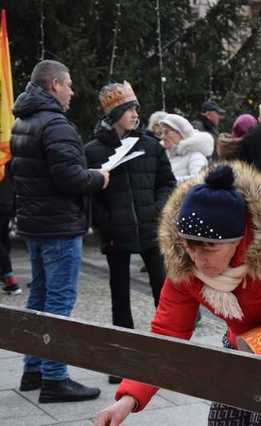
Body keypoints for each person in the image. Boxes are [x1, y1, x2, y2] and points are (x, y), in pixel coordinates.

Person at [95, 163, 261, 426]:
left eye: (210, 248)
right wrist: (128, 398)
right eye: (190, 246)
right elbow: (167, 334)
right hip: (245, 342)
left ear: (239, 239)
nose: (198, 259)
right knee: (224, 420)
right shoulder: (184, 265)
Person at [10, 60, 109, 403]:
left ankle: (33, 369)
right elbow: (70, 180)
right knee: (58, 301)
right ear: (53, 85)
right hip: (58, 226)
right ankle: (55, 379)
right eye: (68, 85)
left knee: (39, 297)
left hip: (35, 225)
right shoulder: (56, 125)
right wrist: (99, 177)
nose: (72, 91)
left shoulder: (22, 120)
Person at [84, 81, 177, 383]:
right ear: (115, 114)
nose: (136, 113)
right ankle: (122, 361)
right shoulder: (94, 150)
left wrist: (157, 209)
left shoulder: (150, 145)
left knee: (162, 293)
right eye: (129, 109)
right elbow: (91, 196)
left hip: (151, 230)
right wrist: (106, 225)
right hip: (116, 234)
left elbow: (167, 182)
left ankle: (167, 356)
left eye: (136, 108)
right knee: (120, 297)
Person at [160, 113, 213, 183]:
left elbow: (199, 180)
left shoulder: (196, 156)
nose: (162, 137)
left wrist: (168, 182)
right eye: (161, 133)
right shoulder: (164, 156)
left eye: (166, 132)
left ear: (181, 133)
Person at [0, 167, 19, 295]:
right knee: (3, 238)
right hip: (7, 202)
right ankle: (6, 278)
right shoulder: (8, 153)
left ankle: (10, 280)